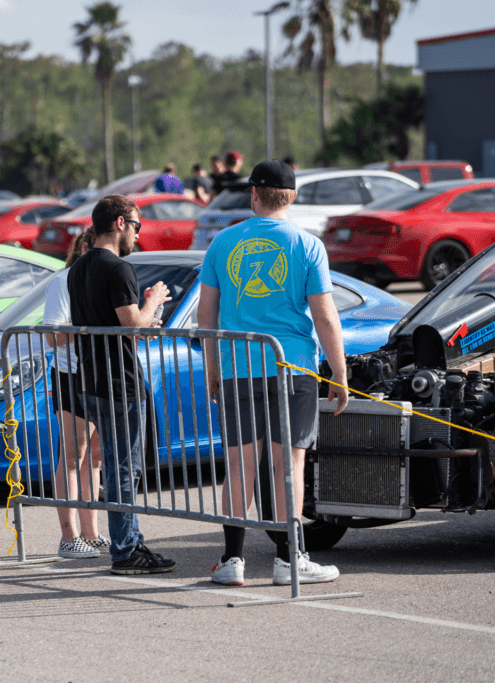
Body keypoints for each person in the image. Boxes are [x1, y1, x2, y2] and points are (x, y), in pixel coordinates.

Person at [198, 159, 348, 587]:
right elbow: (324, 313)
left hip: (237, 365)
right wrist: (339, 372)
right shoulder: (307, 244)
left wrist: (213, 368)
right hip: (291, 365)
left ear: (254, 194)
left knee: (240, 465)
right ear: (293, 196)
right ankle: (289, 558)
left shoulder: (223, 242)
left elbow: (206, 314)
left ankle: (231, 560)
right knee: (290, 464)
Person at [66, 194, 176, 575]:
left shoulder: (78, 268)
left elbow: (120, 325)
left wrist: (143, 320)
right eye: (137, 226)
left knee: (116, 467)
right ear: (119, 223)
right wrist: (155, 300)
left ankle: (130, 542)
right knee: (123, 468)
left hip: (92, 379)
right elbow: (132, 324)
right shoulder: (118, 269)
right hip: (118, 382)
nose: (137, 234)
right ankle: (126, 550)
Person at [44, 230, 110, 559]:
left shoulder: (107, 277)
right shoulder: (64, 280)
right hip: (72, 375)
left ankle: (91, 532)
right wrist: (95, 329)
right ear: (85, 247)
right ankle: (68, 537)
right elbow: (52, 335)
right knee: (72, 457)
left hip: (100, 373)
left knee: (93, 458)